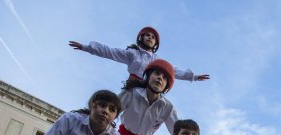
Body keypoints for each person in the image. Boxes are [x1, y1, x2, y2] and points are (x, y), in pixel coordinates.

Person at [69, 27, 209, 85]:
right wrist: (86, 47)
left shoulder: (157, 60)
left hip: (151, 88)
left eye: (153, 37)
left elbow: (173, 70)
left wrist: (194, 76)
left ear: (155, 43)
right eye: (147, 35)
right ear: (141, 38)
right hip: (132, 85)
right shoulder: (132, 53)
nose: (150, 37)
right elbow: (109, 52)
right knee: (119, 103)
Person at [116, 59, 178, 135]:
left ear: (166, 86)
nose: (160, 78)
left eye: (164, 78)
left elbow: (177, 133)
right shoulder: (131, 93)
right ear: (148, 75)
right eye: (157, 74)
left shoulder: (168, 107)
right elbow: (111, 111)